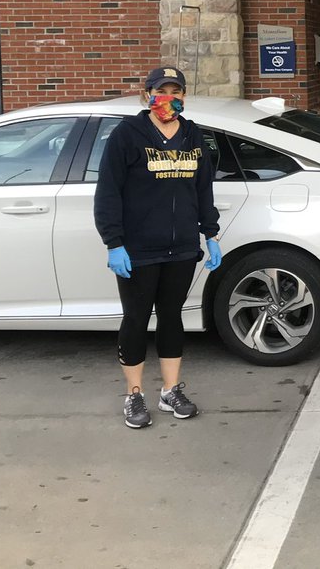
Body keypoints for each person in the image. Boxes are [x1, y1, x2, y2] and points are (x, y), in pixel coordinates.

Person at [94, 66, 223, 429]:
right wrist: (114, 243)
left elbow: (202, 189)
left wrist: (210, 233)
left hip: (181, 248)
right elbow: (108, 193)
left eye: (176, 91)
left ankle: (170, 391)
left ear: (184, 96)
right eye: (162, 91)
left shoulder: (193, 135)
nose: (170, 98)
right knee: (136, 319)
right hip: (138, 249)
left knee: (172, 316)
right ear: (146, 94)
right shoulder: (128, 135)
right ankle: (134, 395)